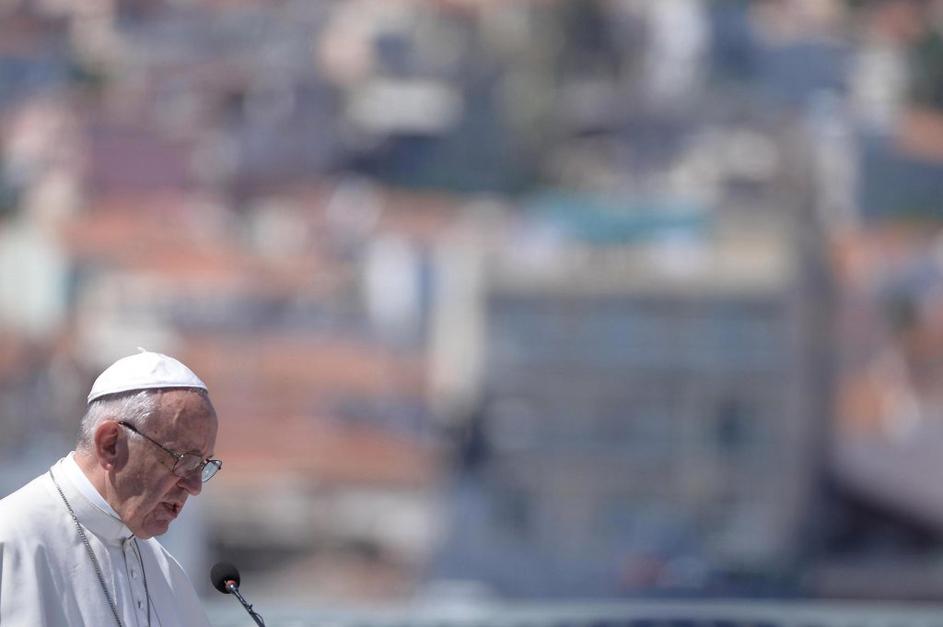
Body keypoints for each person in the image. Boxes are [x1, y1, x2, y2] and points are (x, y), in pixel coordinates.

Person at [0, 349, 222, 626]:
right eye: (184, 461)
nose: (194, 486)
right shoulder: (12, 542)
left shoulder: (166, 573)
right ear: (110, 444)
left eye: (202, 465)